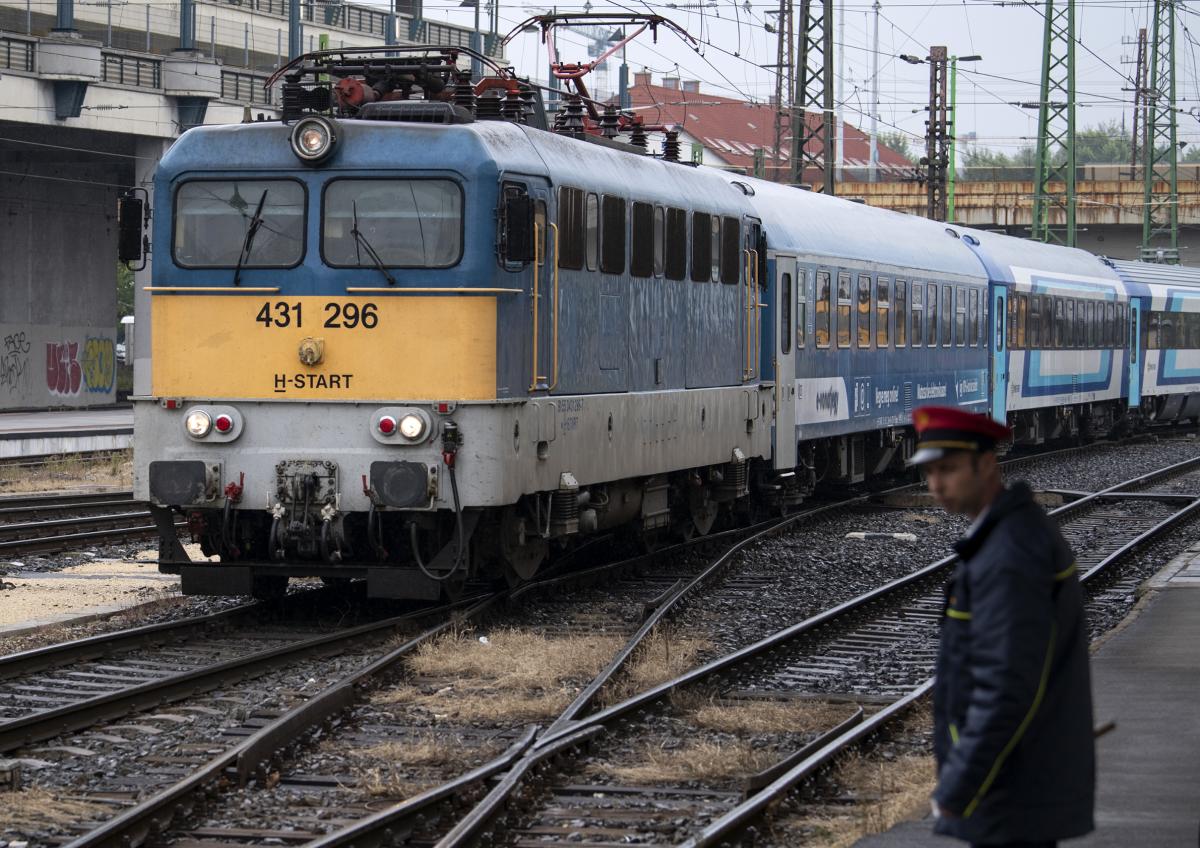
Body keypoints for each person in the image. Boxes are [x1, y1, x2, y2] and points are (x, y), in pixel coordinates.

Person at [910, 405, 1095, 848]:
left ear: (987, 464)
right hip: (1019, 783)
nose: (936, 485)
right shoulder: (1007, 535)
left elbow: (1007, 686)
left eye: (949, 469)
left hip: (1013, 788)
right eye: (930, 472)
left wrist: (960, 785)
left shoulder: (1009, 554)